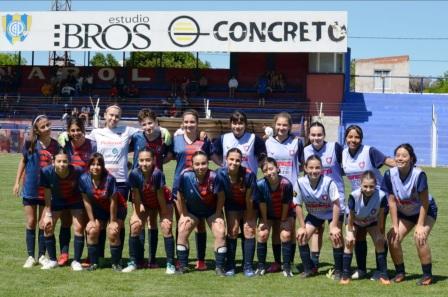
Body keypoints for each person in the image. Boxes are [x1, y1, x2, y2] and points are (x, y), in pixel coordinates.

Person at [342, 125, 395, 280]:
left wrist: (406, 165)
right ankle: (362, 269)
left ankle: (380, 270)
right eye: (350, 137)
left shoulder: (369, 151)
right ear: (346, 137)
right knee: (359, 236)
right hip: (359, 201)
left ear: (361, 138)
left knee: (379, 235)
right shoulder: (343, 154)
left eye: (357, 137)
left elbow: (386, 161)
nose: (353, 140)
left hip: (377, 200)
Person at [87, 105, 140, 257]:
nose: (113, 118)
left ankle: (118, 258)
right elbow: (81, 142)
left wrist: (161, 130)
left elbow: (147, 131)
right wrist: (65, 137)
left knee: (119, 222)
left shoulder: (127, 130)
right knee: (101, 222)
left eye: (117, 116)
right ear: (104, 115)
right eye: (111, 115)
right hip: (101, 181)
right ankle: (99, 257)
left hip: (121, 182)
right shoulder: (97, 132)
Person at [382, 144, 438, 286]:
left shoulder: (419, 175)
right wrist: (395, 225)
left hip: (425, 210)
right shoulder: (389, 174)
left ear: (411, 159)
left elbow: (424, 203)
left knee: (420, 237)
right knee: (393, 237)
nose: (400, 158)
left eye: (404, 156)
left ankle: (427, 275)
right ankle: (400, 272)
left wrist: (420, 225)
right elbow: (392, 203)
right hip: (406, 212)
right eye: (398, 155)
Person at [13, 115, 60, 268]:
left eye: (48, 125)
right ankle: (30, 256)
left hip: (47, 191)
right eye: (43, 127)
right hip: (31, 188)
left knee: (43, 223)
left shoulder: (56, 145)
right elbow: (23, 161)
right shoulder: (30, 143)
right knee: (31, 222)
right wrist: (17, 182)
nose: (47, 128)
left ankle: (41, 256)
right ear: (37, 130)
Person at [170, 109, 212, 271]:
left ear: (197, 123)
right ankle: (182, 259)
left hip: (200, 188)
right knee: (182, 222)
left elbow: (213, 156)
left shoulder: (204, 141)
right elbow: (167, 156)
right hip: (179, 187)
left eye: (192, 122)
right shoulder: (176, 139)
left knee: (200, 223)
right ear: (182, 123)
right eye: (186, 122)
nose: (189, 125)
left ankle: (200, 260)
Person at [175, 151, 227, 276]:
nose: (200, 167)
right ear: (192, 165)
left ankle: (219, 267)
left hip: (211, 211)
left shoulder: (215, 177)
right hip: (192, 211)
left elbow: (221, 197)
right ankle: (183, 265)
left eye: (203, 163)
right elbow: (179, 195)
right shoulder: (185, 176)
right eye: (197, 164)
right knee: (182, 229)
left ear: (208, 163)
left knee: (220, 231)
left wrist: (218, 214)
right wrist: (184, 214)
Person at [303, 122, 345, 274]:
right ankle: (313, 265)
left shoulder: (335, 147)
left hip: (335, 201)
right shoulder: (305, 150)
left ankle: (339, 268)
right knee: (315, 232)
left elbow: (346, 167)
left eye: (319, 134)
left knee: (336, 233)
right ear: (309, 136)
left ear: (324, 135)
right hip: (316, 201)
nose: (316, 138)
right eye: (313, 135)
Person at [124, 149, 174, 273]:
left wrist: (164, 215)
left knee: (165, 226)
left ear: (153, 161)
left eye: (148, 160)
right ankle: (134, 261)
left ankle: (168, 264)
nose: (144, 163)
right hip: (143, 201)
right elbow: (135, 193)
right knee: (135, 225)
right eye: (141, 160)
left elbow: (160, 196)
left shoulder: (157, 174)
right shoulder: (134, 174)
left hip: (161, 201)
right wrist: (140, 205)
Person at [264, 112, 303, 273]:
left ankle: (290, 261)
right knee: (275, 226)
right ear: (274, 125)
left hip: (291, 191)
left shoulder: (296, 142)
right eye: (279, 124)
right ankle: (277, 262)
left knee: (290, 227)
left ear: (290, 126)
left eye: (285, 125)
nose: (281, 128)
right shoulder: (267, 143)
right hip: (272, 190)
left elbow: (304, 162)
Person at [294, 155, 343, 279]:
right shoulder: (300, 182)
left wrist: (334, 226)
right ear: (305, 168)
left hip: (332, 212)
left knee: (335, 236)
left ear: (321, 169)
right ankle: (309, 269)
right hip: (315, 213)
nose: (314, 171)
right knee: (302, 236)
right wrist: (302, 227)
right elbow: (298, 205)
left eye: (317, 168)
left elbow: (337, 204)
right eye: (310, 167)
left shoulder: (329, 182)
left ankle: (339, 270)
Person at [58, 116, 97, 266]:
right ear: (68, 131)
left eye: (78, 130)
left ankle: (88, 255)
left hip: (86, 190)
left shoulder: (92, 145)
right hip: (67, 189)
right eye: (72, 130)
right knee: (66, 221)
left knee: (85, 223)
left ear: (84, 130)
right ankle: (64, 254)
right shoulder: (65, 145)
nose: (76, 133)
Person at [340, 171, 390, 285]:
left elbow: (381, 216)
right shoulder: (354, 195)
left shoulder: (382, 196)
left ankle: (384, 275)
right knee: (350, 242)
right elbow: (351, 216)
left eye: (371, 186)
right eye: (365, 186)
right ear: (360, 185)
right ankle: (345, 275)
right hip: (355, 221)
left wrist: (381, 233)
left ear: (376, 185)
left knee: (379, 241)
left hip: (371, 221)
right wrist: (350, 233)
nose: (368, 189)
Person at [79, 153, 127, 271]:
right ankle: (94, 262)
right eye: (93, 164)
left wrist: (113, 221)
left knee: (113, 231)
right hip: (98, 209)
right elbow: (86, 202)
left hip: (117, 208)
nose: (95, 167)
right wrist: (91, 220)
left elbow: (113, 202)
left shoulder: (110, 179)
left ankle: (116, 263)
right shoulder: (83, 179)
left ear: (103, 166)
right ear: (89, 166)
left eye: (99, 164)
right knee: (92, 229)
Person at [40, 149, 85, 270]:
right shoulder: (46, 172)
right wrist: (48, 212)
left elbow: (84, 190)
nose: (62, 164)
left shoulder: (78, 171)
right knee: (47, 226)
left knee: (79, 227)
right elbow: (47, 193)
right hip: (57, 201)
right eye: (59, 161)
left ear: (69, 162)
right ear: (53, 162)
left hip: (75, 200)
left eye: (65, 161)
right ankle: (53, 260)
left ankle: (76, 261)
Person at [215, 148, 258, 277]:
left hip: (248, 205)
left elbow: (249, 199)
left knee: (249, 230)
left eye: (237, 160)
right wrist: (218, 214)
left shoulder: (249, 174)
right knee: (233, 231)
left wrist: (249, 218)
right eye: (231, 159)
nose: (234, 162)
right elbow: (221, 197)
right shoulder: (220, 174)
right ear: (226, 160)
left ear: (242, 161)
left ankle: (248, 266)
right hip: (231, 205)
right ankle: (230, 265)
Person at [256, 157, 295, 277]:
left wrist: (283, 220)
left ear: (277, 169)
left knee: (285, 234)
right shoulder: (260, 185)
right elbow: (262, 204)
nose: (269, 172)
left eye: (271, 168)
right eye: (265, 170)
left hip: (285, 213)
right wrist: (265, 220)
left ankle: (287, 267)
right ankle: (261, 266)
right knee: (262, 234)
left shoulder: (286, 184)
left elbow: (285, 204)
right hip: (268, 214)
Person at [212, 110, 266, 175]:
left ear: (245, 125)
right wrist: (222, 164)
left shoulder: (254, 139)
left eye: (240, 123)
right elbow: (212, 153)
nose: (237, 126)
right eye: (234, 123)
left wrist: (256, 166)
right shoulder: (223, 138)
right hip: (228, 179)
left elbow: (264, 157)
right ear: (230, 124)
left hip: (247, 180)